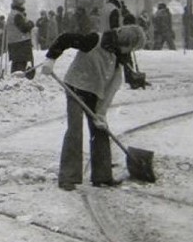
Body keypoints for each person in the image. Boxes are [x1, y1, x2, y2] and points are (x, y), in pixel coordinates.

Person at [41, 24, 146, 191]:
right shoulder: (93, 40)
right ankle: (68, 177)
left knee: (101, 131)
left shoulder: (119, 55)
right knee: (75, 130)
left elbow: (113, 85)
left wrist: (101, 113)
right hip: (75, 86)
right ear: (124, 42)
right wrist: (50, 58)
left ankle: (102, 176)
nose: (130, 52)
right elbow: (65, 38)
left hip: (95, 93)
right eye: (131, 48)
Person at [5, 0, 35, 77]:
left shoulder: (12, 13)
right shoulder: (17, 15)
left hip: (14, 42)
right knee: (21, 64)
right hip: (21, 43)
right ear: (20, 5)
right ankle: (19, 80)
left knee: (16, 63)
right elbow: (24, 28)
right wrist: (30, 24)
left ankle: (14, 79)